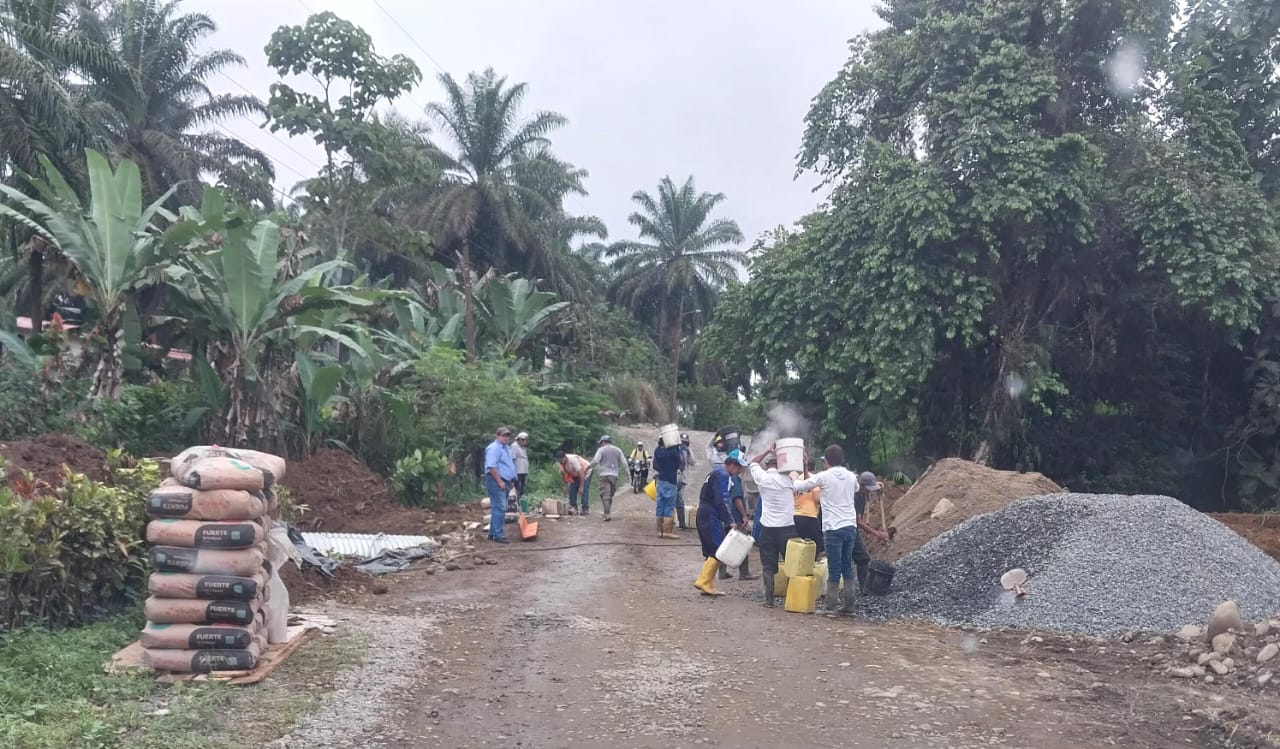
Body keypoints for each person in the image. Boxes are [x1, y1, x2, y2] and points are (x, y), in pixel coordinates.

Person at [791, 445, 861, 615]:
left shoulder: (824, 476)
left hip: (833, 527)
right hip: (850, 526)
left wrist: (793, 476)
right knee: (847, 565)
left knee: (834, 567)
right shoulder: (851, 476)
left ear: (827, 461)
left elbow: (801, 486)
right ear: (842, 459)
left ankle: (830, 607)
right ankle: (850, 606)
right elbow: (857, 489)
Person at [746, 446, 799, 608]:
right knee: (792, 563)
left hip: (767, 528)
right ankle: (794, 598)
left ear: (767, 465)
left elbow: (752, 462)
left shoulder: (762, 478)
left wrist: (767, 450)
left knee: (768, 566)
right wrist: (800, 461)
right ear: (780, 466)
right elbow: (803, 482)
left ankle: (769, 600)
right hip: (787, 528)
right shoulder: (789, 480)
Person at [693, 450, 747, 596]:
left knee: (711, 549)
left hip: (704, 513)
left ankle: (708, 584)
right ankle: (703, 581)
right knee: (718, 549)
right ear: (733, 465)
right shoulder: (723, 475)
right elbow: (722, 500)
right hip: (710, 514)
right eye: (739, 467)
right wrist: (730, 520)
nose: (739, 471)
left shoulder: (715, 472)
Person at [853, 471, 891, 591]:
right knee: (862, 558)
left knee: (859, 559)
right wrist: (876, 533)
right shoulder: (856, 496)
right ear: (861, 485)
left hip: (848, 528)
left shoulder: (860, 492)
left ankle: (863, 588)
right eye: (868, 488)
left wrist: (877, 485)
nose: (869, 491)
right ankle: (863, 589)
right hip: (847, 528)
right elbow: (858, 521)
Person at [483, 427, 518, 544]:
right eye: (503, 435)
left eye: (507, 435)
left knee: (497, 508)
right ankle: (498, 535)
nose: (506, 438)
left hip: (505, 481)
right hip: (496, 480)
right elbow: (491, 467)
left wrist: (512, 479)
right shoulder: (494, 448)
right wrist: (499, 481)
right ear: (497, 436)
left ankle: (492, 533)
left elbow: (508, 465)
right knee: (500, 507)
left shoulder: (506, 448)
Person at [723, 471, 758, 580]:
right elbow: (737, 498)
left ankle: (722, 572)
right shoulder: (735, 479)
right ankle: (744, 573)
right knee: (743, 542)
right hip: (736, 516)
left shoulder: (725, 477)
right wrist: (744, 515)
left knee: (724, 543)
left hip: (726, 515)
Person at [589, 435, 627, 521]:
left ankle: (607, 514)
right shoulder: (618, 450)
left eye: (601, 443)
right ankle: (607, 512)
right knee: (610, 495)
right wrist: (628, 474)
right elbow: (624, 463)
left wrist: (588, 467)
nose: (601, 444)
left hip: (604, 475)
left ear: (603, 442)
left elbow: (595, 461)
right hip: (614, 475)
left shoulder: (601, 450)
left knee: (605, 495)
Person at [652, 437, 682, 539]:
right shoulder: (673, 452)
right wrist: (676, 447)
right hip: (670, 481)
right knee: (669, 506)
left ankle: (659, 531)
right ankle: (667, 531)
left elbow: (655, 466)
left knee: (660, 505)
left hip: (660, 481)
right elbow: (679, 462)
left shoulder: (657, 451)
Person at [793, 458, 824, 556]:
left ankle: (800, 563)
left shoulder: (796, 479)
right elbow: (817, 499)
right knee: (817, 543)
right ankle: (811, 562)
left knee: (799, 544)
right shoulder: (814, 479)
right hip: (810, 516)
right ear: (815, 467)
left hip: (795, 515)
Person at [556, 451, 594, 516]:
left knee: (584, 490)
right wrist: (565, 485)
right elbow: (563, 474)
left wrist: (581, 487)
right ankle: (573, 509)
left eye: (561, 460)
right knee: (572, 490)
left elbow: (581, 473)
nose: (560, 462)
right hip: (575, 474)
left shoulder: (573, 460)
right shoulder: (560, 463)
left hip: (586, 471)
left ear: (564, 458)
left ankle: (585, 509)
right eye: (559, 461)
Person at [674, 434, 695, 530]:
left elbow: (692, 462)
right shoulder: (675, 451)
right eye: (682, 442)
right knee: (676, 500)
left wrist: (689, 451)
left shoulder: (687, 451)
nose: (683, 444)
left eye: (685, 443)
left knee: (679, 500)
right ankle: (676, 521)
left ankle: (679, 521)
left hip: (683, 479)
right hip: (675, 478)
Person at [511, 432, 531, 501]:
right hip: (518, 471)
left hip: (523, 471)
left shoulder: (523, 448)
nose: (526, 442)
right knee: (518, 488)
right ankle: (516, 502)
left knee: (522, 488)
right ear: (520, 440)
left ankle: (520, 501)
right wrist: (513, 472)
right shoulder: (514, 446)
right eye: (524, 440)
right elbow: (512, 458)